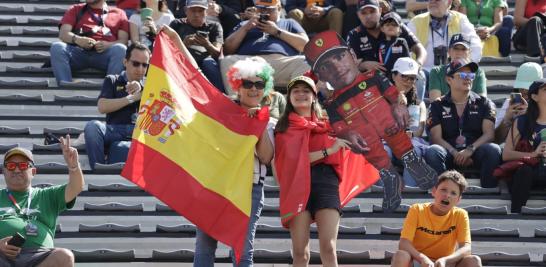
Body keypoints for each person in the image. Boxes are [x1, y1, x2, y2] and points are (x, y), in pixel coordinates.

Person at [303, 31, 437, 211]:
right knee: (372, 151)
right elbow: (338, 125)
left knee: (398, 138)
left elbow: (393, 94)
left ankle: (413, 162)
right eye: (326, 66)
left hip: (388, 123)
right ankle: (391, 179)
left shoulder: (374, 76)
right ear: (320, 75)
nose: (336, 67)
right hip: (364, 135)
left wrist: (398, 105)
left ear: (352, 55)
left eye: (340, 56)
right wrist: (348, 133)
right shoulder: (332, 102)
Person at [274, 76, 379, 266]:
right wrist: (328, 151)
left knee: (329, 248)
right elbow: (294, 162)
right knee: (300, 253)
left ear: (314, 96)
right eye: (295, 91)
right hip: (297, 187)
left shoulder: (331, 125)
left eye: (306, 91)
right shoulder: (283, 128)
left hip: (326, 183)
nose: (301, 94)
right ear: (289, 97)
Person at [193, 57, 275, 266]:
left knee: (242, 251)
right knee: (204, 248)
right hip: (216, 185)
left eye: (259, 84)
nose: (254, 89)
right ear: (238, 86)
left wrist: (260, 125)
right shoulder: (220, 111)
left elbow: (266, 157)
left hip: (251, 189)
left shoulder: (269, 121)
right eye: (248, 83)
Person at [0, 144, 84, 267]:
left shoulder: (47, 195)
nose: (17, 170)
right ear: (4, 172)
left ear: (33, 171)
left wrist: (74, 167)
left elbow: (76, 188)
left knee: (64, 256)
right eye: (11, 166)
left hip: (39, 258)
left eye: (23, 166)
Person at [425, 59, 501, 189]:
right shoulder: (437, 105)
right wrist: (455, 153)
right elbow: (436, 138)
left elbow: (489, 135)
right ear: (449, 80)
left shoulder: (484, 103)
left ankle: (489, 192)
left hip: (475, 151)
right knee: (433, 151)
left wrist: (470, 150)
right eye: (462, 75)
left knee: (493, 149)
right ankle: (442, 191)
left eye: (471, 75)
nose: (468, 79)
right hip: (449, 151)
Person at [390, 170, 483, 267]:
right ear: (434, 191)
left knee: (474, 260)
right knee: (400, 255)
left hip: (445, 263)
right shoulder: (417, 209)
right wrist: (423, 259)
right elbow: (403, 243)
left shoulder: (460, 214)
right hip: (419, 261)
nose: (447, 195)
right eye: (443, 190)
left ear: (458, 200)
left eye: (453, 193)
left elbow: (466, 249)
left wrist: (445, 260)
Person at [221, 0, 310, 95]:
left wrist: (277, 31)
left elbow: (306, 46)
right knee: (226, 60)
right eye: (261, 9)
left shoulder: (289, 23)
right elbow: (227, 49)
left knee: (306, 62)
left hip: (281, 64)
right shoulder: (245, 24)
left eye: (269, 10)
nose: (265, 13)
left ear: (279, 9)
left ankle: (295, 101)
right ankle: (235, 103)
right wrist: (245, 28)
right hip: (249, 63)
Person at [84, 43, 150, 170]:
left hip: (141, 131)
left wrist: (143, 89)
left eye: (144, 65)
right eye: (136, 64)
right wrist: (131, 98)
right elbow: (102, 107)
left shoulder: (152, 83)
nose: (140, 69)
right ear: (125, 62)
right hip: (115, 130)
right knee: (92, 127)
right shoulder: (112, 80)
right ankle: (100, 170)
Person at [346, 2, 427, 101]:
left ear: (380, 11)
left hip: (400, 76)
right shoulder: (354, 34)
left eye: (372, 11)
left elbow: (420, 49)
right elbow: (349, 66)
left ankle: (415, 108)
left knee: (420, 75)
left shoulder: (394, 24)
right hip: (371, 78)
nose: (368, 16)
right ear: (358, 14)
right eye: (364, 13)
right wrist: (364, 65)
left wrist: (417, 64)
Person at [50, 0, 129, 85]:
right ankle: (65, 86)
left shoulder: (119, 13)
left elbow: (124, 41)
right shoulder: (75, 9)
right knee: (57, 47)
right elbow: (63, 34)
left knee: (121, 49)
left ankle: (110, 88)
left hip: (105, 55)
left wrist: (108, 45)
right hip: (77, 53)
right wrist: (78, 40)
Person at [501, 79, 546, 213]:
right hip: (529, 172)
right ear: (534, 96)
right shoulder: (522, 121)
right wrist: (534, 154)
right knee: (524, 171)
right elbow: (506, 154)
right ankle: (516, 214)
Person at [407, 0, 482, 71]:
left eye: (437, 0)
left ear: (449, 2)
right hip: (423, 72)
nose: (432, 1)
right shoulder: (416, 21)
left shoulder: (460, 19)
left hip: (454, 72)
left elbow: (475, 46)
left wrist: (464, 66)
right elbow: (406, 49)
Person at [389, 57, 430, 187]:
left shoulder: (419, 103)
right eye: (404, 76)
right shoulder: (380, 100)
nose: (408, 81)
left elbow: (417, 131)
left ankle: (409, 194)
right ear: (394, 76)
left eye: (412, 78)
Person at [169, 0, 225, 93]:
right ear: (186, 10)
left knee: (209, 64)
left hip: (205, 60)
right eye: (193, 10)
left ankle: (220, 96)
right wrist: (184, 44)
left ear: (206, 12)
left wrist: (207, 44)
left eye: (200, 11)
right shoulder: (177, 24)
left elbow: (217, 53)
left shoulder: (214, 26)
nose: (197, 14)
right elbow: (168, 49)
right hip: (182, 59)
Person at [428, 34, 487, 101]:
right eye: (456, 48)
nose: (459, 52)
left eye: (463, 49)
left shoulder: (478, 72)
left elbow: (482, 102)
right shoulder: (437, 72)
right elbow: (435, 102)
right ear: (449, 51)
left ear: (469, 52)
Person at [495, 62, 542, 143]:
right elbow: (496, 140)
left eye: (528, 87)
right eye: (521, 87)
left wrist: (530, 114)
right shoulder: (510, 103)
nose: (524, 91)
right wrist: (507, 120)